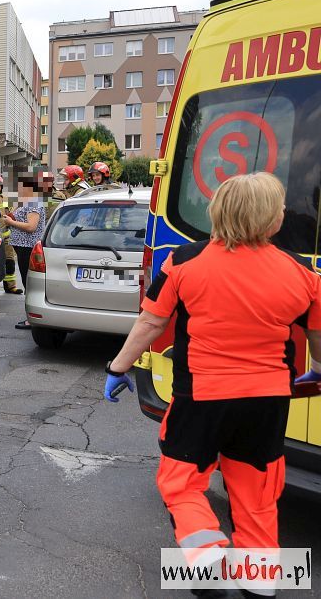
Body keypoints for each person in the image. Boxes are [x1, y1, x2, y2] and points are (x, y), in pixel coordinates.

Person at [105, 173, 321, 582]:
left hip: (202, 397)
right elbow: (317, 334)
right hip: (268, 402)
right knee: (257, 494)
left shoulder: (184, 261)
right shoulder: (301, 273)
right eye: (280, 209)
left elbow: (151, 323)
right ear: (272, 221)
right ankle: (259, 584)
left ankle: (207, 561)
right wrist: (319, 371)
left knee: (181, 481)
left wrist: (118, 367)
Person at [2, 169, 54, 329]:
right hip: (23, 247)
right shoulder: (28, 201)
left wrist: (11, 223)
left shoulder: (35, 203)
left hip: (28, 247)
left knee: (29, 283)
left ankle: (32, 318)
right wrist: (13, 217)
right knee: (27, 282)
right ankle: (31, 316)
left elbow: (31, 227)